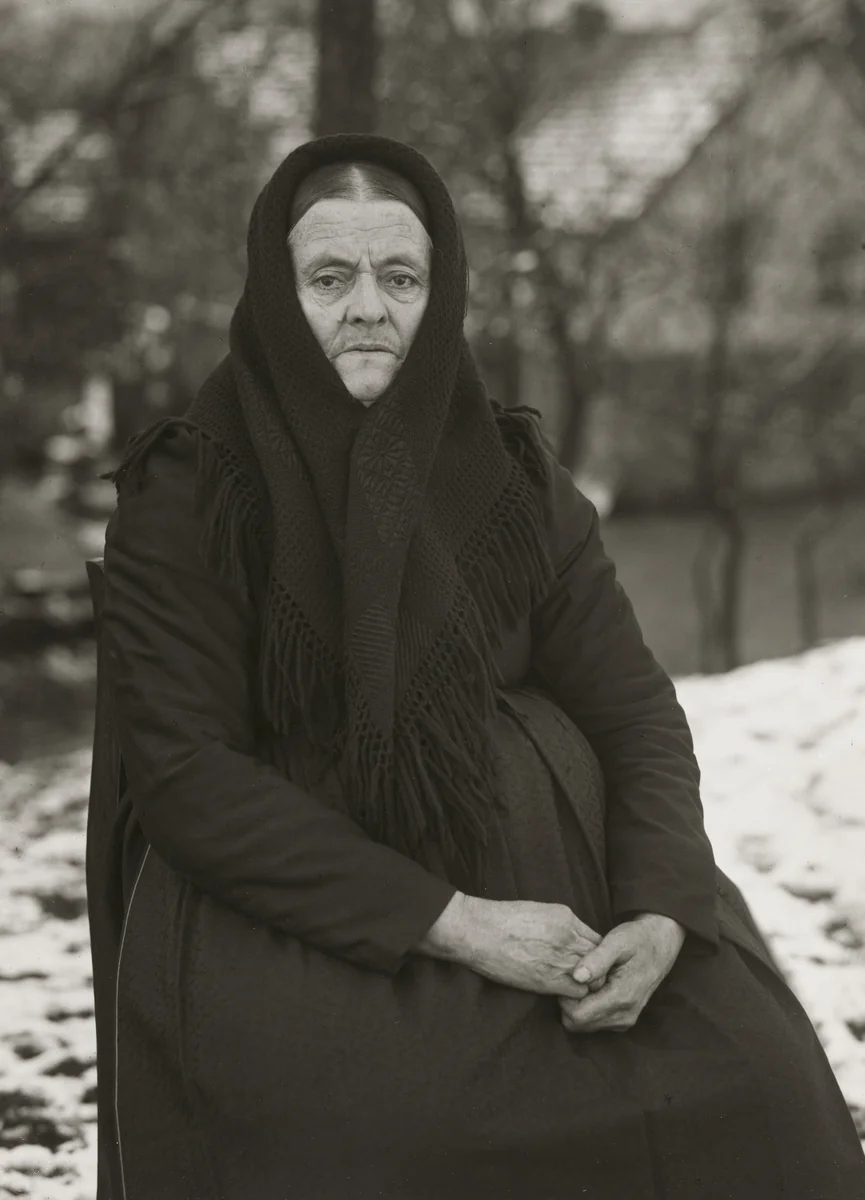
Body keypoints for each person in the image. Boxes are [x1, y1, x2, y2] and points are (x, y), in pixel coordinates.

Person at [93, 133, 865, 1200]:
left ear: (442, 290)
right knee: (406, 1143)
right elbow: (188, 776)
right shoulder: (192, 493)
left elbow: (634, 710)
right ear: (275, 293)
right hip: (305, 918)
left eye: (401, 278)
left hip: (568, 903)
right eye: (330, 278)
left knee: (762, 1092)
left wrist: (661, 910)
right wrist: (455, 924)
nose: (369, 308)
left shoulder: (513, 477)